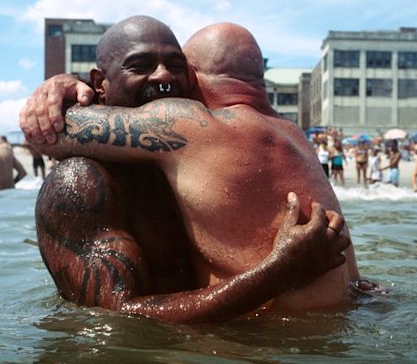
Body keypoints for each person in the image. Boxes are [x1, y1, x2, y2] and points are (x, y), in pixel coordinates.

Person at [20, 17, 361, 322]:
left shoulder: (187, 152)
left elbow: (58, 130)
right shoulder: (81, 183)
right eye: (139, 65)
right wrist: (278, 273)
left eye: (175, 64)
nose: (163, 76)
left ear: (193, 77)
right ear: (100, 83)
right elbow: (116, 322)